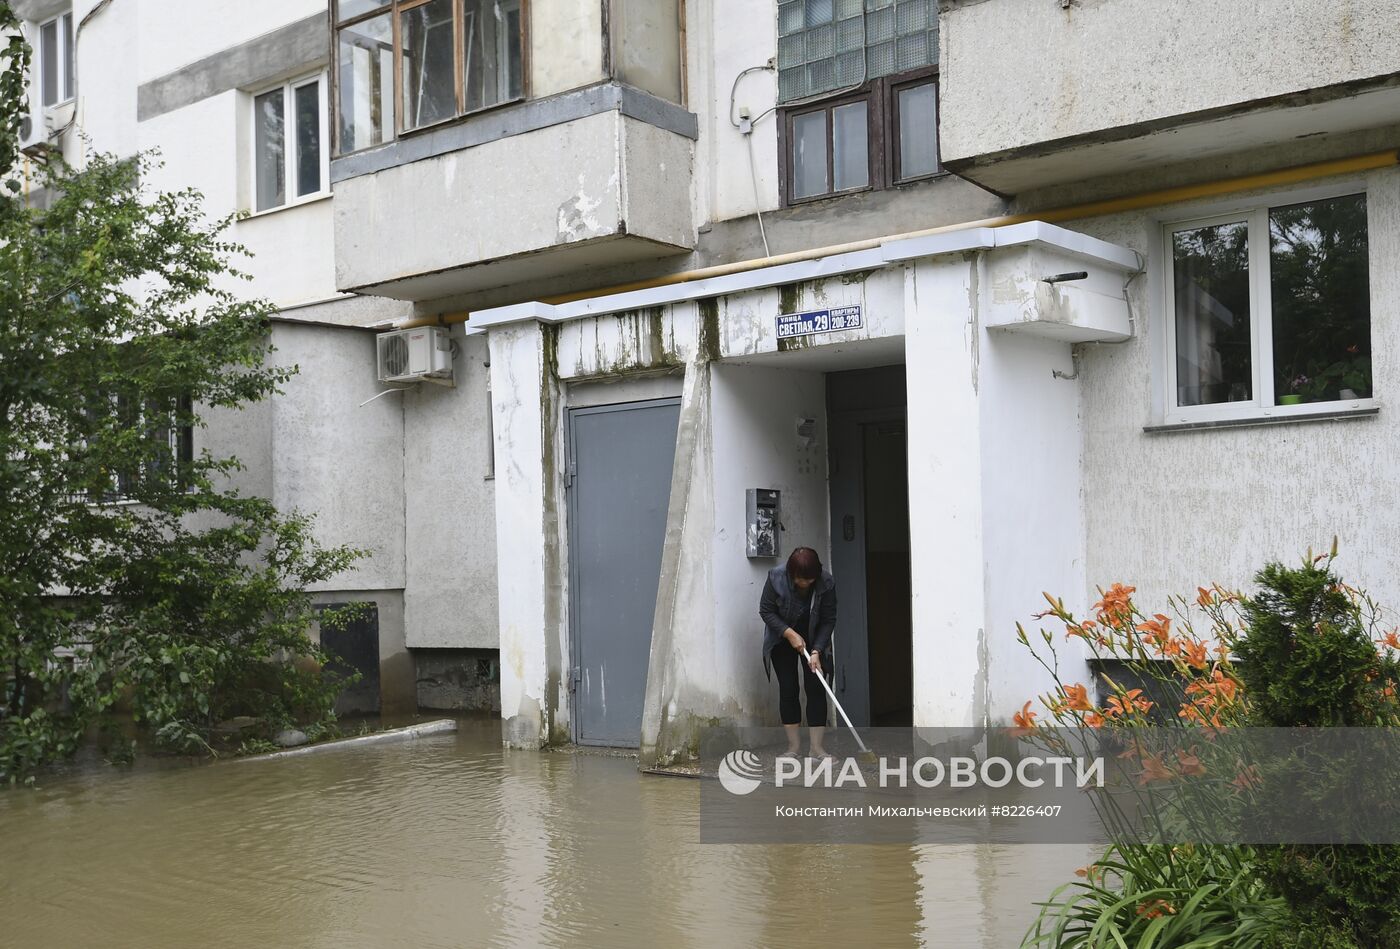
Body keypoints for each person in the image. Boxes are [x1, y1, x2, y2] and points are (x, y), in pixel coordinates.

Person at [759, 546, 837, 759]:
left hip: (814, 639)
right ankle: (793, 748)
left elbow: (829, 619)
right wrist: (789, 633)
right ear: (792, 574)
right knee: (788, 688)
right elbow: (766, 610)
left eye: (810, 580)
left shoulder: (826, 582)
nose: (805, 584)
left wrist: (817, 650)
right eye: (801, 580)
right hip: (782, 638)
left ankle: (816, 748)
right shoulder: (776, 577)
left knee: (816, 687)